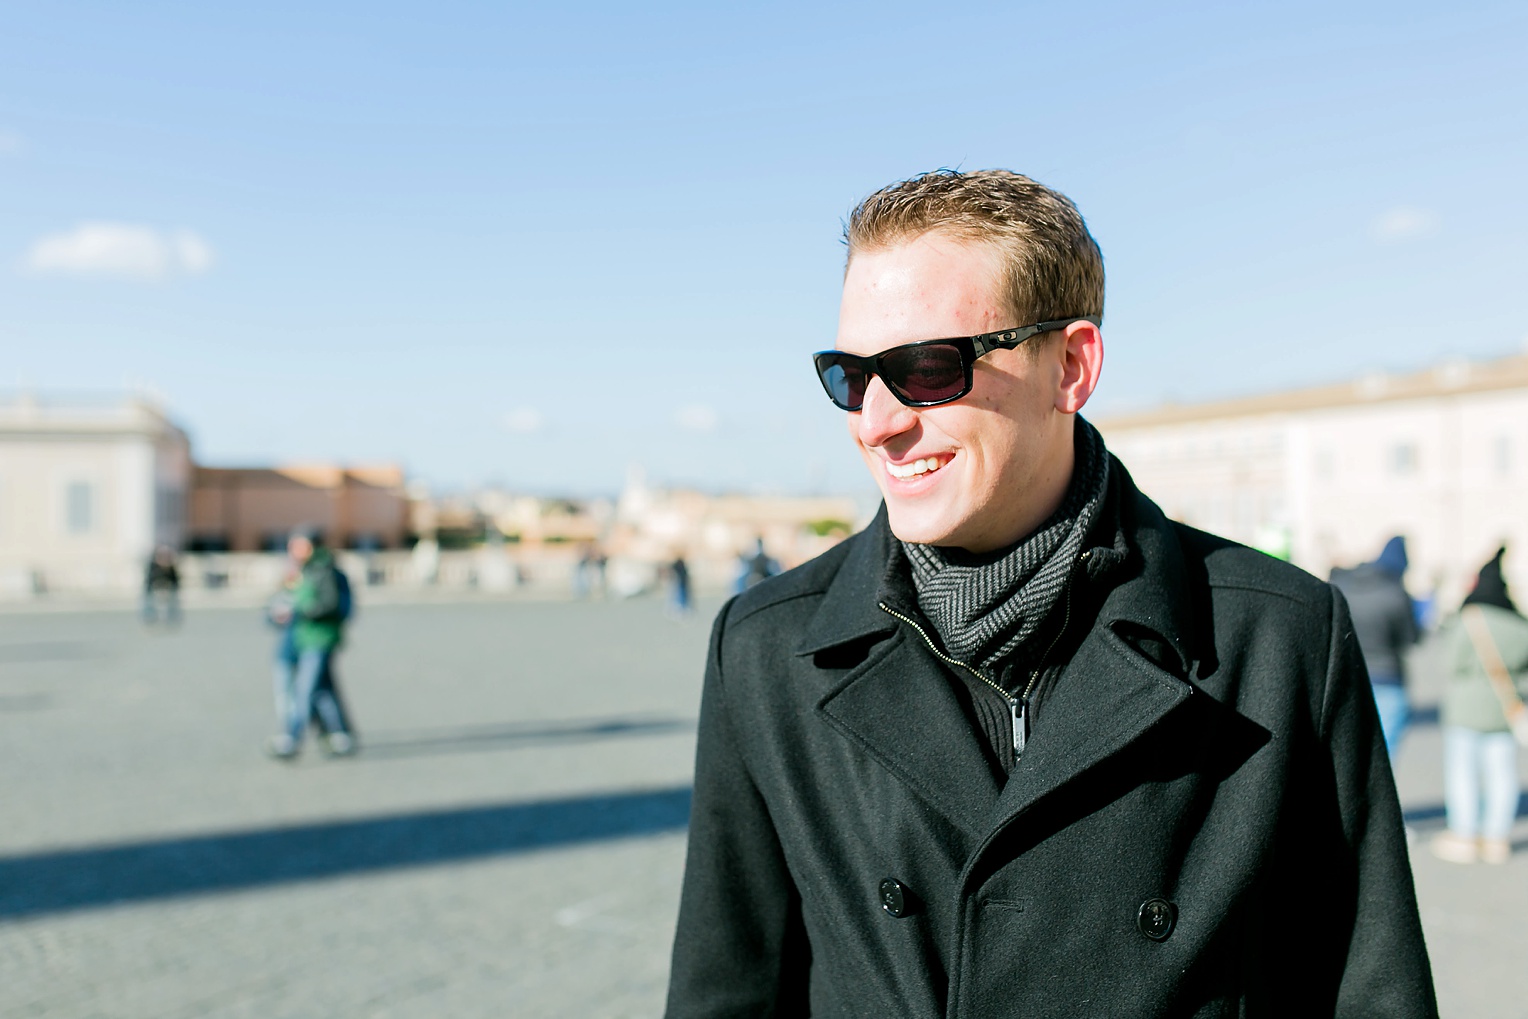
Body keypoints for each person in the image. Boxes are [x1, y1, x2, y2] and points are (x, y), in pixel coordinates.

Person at [665, 169, 1435, 1016]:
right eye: (851, 374)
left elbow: (1369, 990)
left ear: (1070, 365)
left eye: (926, 367)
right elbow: (724, 992)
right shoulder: (769, 646)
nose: (875, 421)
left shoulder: (1281, 636)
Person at [1429, 548, 1528, 865]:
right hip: (1503, 709)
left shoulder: (1467, 621)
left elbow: (1451, 664)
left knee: (1463, 773)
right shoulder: (1519, 626)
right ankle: (1496, 838)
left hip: (1465, 709)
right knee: (1502, 775)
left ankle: (1465, 833)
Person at [266, 529, 356, 759]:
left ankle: (292, 737)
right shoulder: (298, 570)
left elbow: (332, 605)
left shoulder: (324, 570)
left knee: (305, 689)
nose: (293, 550)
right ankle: (338, 734)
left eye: (298, 545)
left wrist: (301, 611)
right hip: (301, 639)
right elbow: (279, 600)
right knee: (322, 690)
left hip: (318, 637)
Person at [1330, 535, 1419, 760]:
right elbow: (1411, 638)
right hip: (1388, 677)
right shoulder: (1396, 593)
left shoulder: (1345, 587)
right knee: (1383, 758)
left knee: (1350, 752)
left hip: (1348, 676)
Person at [142, 545, 181, 626]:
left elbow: (175, 581)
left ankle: (171, 618)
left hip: (168, 589)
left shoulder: (171, 567)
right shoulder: (153, 566)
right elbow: (151, 581)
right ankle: (150, 617)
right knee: (149, 602)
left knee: (172, 601)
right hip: (154, 589)